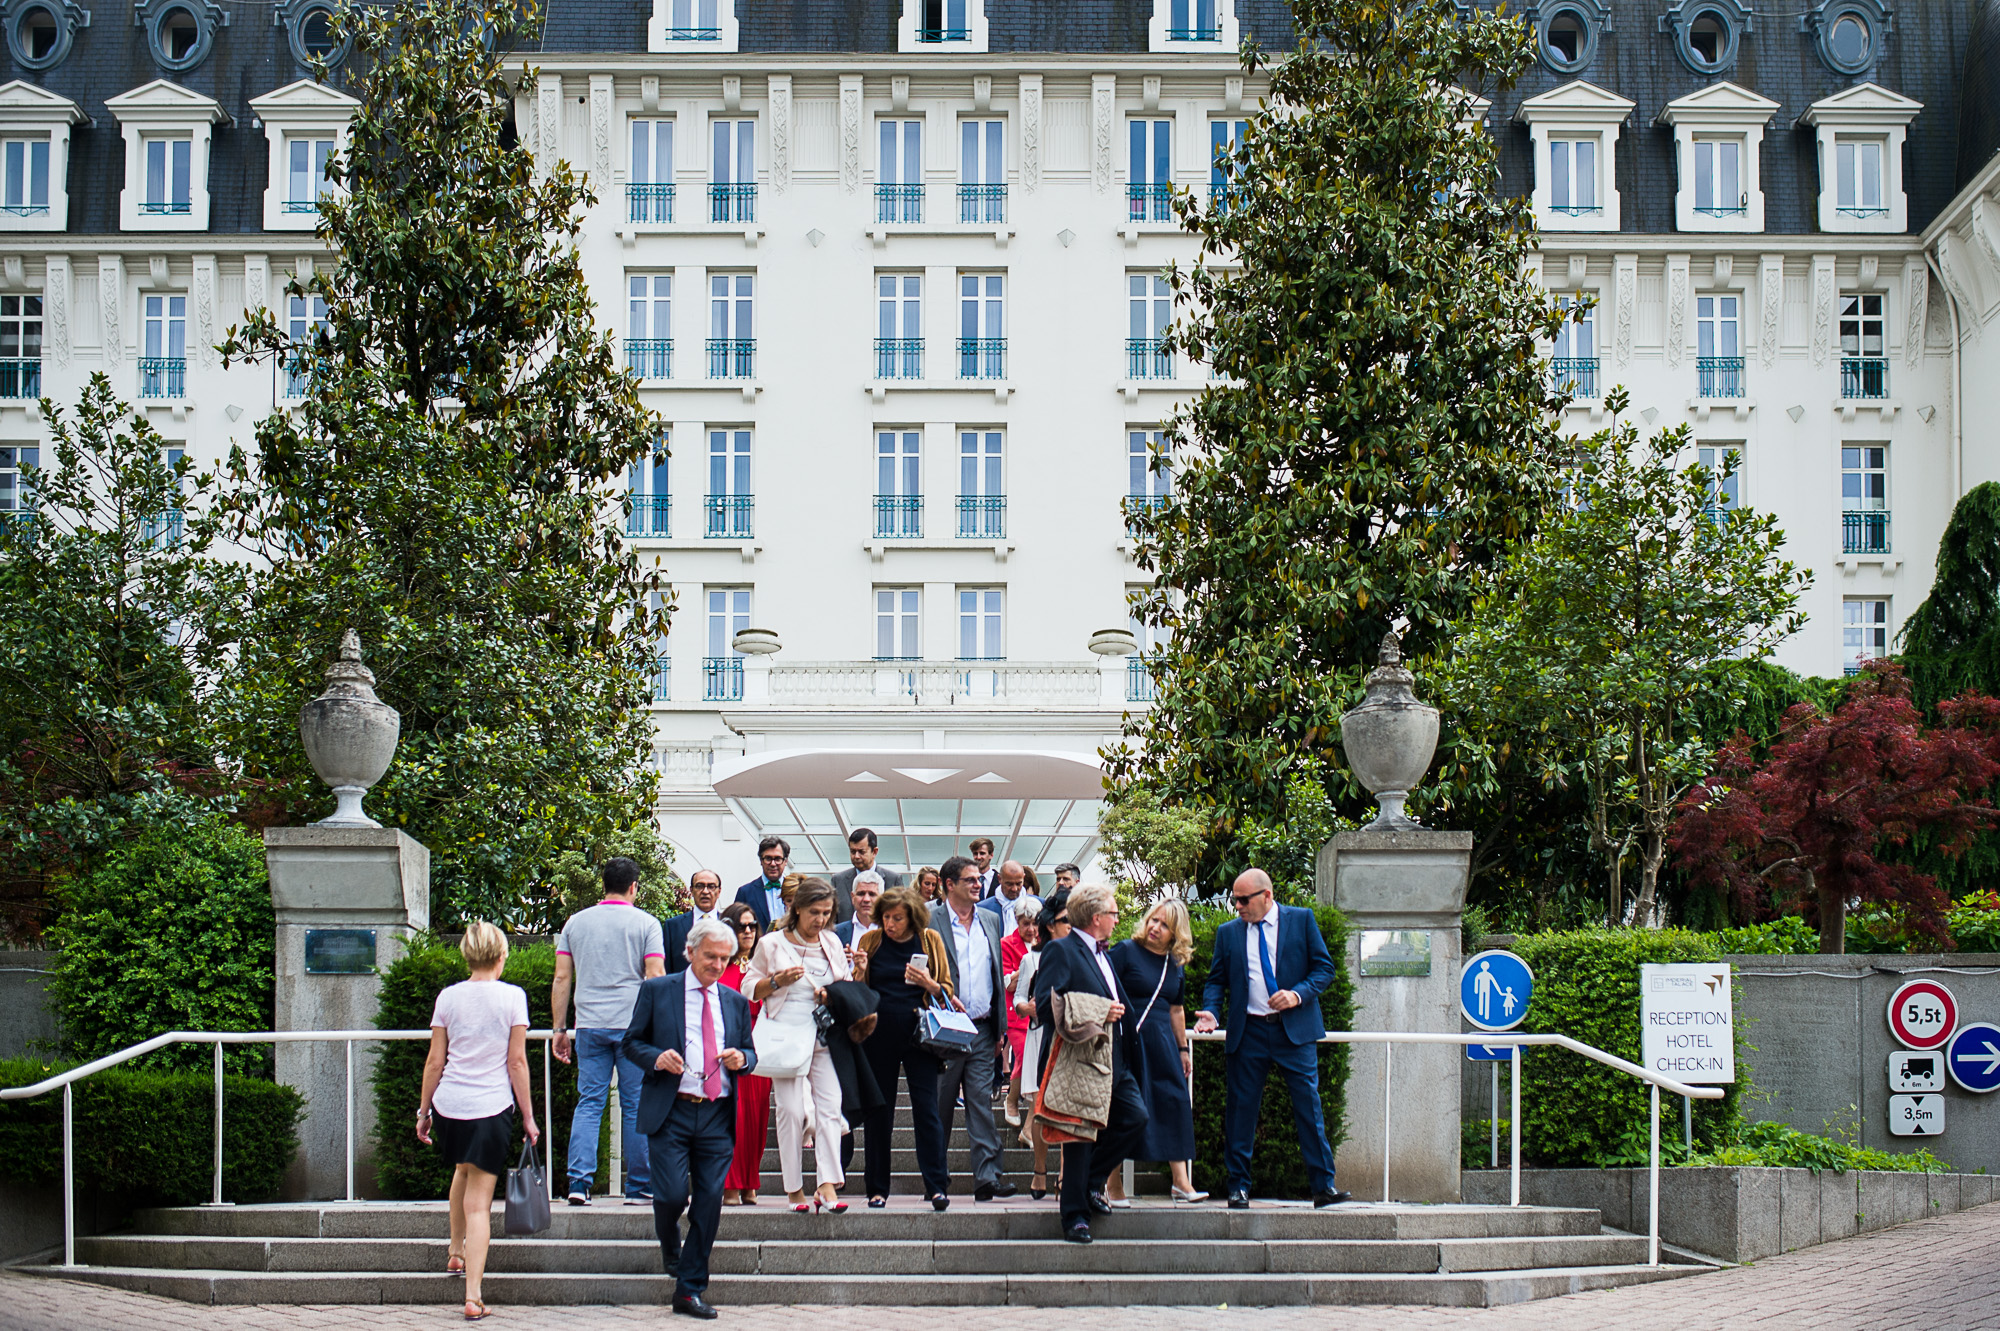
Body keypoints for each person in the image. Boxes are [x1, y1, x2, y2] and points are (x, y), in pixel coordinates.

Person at [623, 917, 755, 1320]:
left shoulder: (733, 1000)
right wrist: (656, 1058)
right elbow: (631, 1042)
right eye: (710, 956)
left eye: (724, 958)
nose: (717, 965)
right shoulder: (658, 990)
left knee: (710, 1202)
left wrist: (742, 1059)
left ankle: (690, 1288)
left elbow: (751, 1053)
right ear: (690, 952)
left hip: (717, 1114)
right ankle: (670, 1247)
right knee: (669, 1197)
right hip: (673, 1110)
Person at [1195, 867, 1349, 1210]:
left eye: (1243, 899)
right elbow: (1216, 980)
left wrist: (1297, 995)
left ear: (1267, 895)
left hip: (1293, 1030)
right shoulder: (1228, 933)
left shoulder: (1302, 920)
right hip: (1248, 1031)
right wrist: (1212, 1012)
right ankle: (1238, 1188)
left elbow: (1324, 969)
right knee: (1241, 1111)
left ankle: (1323, 1187)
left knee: (1309, 1107)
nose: (1237, 906)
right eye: (1234, 900)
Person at [416, 922, 540, 1322]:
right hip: (490, 1106)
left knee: (461, 1171)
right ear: (502, 956)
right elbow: (517, 1061)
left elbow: (435, 1061)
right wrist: (528, 1116)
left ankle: (455, 1252)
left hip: (451, 1104)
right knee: (479, 1205)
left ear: (466, 956)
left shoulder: (448, 997)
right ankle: (473, 1295)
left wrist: (424, 1112)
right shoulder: (513, 998)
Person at [1030, 883, 1148, 1244]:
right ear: (1096, 918)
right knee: (1078, 1138)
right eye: (1113, 913)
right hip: (1079, 1060)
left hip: (1115, 1060)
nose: (1117, 920)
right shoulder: (1061, 950)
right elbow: (1046, 1003)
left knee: (1136, 1118)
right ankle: (1075, 1217)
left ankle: (1090, 1184)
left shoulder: (1104, 953)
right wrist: (1098, 1011)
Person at [552, 856, 667, 1207]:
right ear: (634, 887)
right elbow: (655, 976)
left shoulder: (575, 922)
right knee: (634, 1105)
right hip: (632, 1026)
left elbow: (561, 978)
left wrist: (560, 1028)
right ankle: (639, 1186)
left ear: (603, 884)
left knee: (589, 1103)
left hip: (589, 1024)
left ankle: (579, 1183)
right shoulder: (646, 924)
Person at [744, 877, 853, 1213]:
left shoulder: (832, 942)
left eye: (826, 913)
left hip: (824, 1031)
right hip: (786, 1033)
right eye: (814, 912)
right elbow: (749, 987)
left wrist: (833, 993)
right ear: (796, 909)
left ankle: (826, 1186)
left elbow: (844, 985)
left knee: (831, 1108)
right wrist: (777, 981)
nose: (820, 920)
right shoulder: (772, 943)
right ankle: (794, 1190)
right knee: (791, 1111)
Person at [850, 884, 955, 1209]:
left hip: (920, 1035)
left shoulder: (929, 940)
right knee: (879, 1113)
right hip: (878, 1034)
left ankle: (936, 1186)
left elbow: (947, 989)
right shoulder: (871, 940)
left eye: (897, 918)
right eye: (885, 917)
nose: (890, 923)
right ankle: (877, 1189)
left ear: (913, 916)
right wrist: (860, 970)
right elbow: (857, 989)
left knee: (927, 1112)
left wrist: (929, 984)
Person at [1105, 899, 1207, 1204]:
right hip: (1127, 1041)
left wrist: (1182, 1049)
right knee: (1122, 1111)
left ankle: (1181, 1182)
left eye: (1164, 925)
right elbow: (1103, 987)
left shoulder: (1175, 965)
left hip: (1162, 1044)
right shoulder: (1125, 951)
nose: (1155, 928)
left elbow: (1177, 1009)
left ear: (1176, 933)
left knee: (1174, 1104)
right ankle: (1113, 1185)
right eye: (1153, 920)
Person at [935, 855, 1015, 1201]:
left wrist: (1001, 1028)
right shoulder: (930, 920)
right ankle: (936, 1177)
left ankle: (987, 1177)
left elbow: (996, 973)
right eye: (969, 880)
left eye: (978, 879)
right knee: (939, 1103)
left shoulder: (990, 919)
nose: (977, 884)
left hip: (983, 1029)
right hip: (945, 1029)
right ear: (949, 884)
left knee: (981, 1100)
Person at [1014, 891, 1069, 1196]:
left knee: (1065, 1107)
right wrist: (1027, 1007)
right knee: (1039, 1106)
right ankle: (1039, 1170)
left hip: (1067, 1035)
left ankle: (1064, 1172)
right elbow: (1020, 998)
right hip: (1039, 1033)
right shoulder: (1030, 958)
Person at [717, 901, 771, 1206]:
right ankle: (731, 1185)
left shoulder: (762, 965)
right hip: (728, 1046)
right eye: (741, 926)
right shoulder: (719, 963)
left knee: (758, 1118)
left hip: (760, 1045)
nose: (748, 931)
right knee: (734, 1118)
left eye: (752, 926)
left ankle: (751, 1182)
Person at [1000, 898, 1040, 1127]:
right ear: (1017, 921)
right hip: (1016, 1014)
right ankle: (1012, 1100)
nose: (1031, 929)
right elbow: (1009, 985)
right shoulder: (1007, 943)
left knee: (1033, 1059)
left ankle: (1026, 1115)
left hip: (1040, 1014)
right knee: (1025, 1056)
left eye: (1035, 923)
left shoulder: (1046, 942)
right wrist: (1025, 970)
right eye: (1026, 923)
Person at [829, 827, 904, 923]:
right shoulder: (838, 881)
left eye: (861, 852)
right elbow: (832, 919)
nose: (856, 856)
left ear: (874, 852)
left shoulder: (893, 880)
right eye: (852, 851)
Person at [665, 870, 729, 974]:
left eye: (711, 886)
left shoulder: (729, 924)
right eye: (699, 886)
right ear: (691, 890)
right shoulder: (673, 926)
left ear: (719, 891)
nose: (705, 891)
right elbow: (666, 968)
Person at [734, 836, 791, 931]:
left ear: (785, 861)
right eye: (768, 858)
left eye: (777, 859)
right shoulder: (745, 892)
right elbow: (736, 926)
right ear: (761, 861)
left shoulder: (797, 890)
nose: (773, 864)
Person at [977, 858, 1042, 925]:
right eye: (1009, 884)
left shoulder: (1041, 905)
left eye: (1018, 884)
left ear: (1023, 877)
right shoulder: (982, 909)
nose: (1014, 889)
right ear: (999, 879)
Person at [833, 870, 884, 946]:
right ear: (853, 897)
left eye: (872, 894)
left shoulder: (892, 931)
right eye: (861, 894)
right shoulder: (836, 932)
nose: (866, 899)